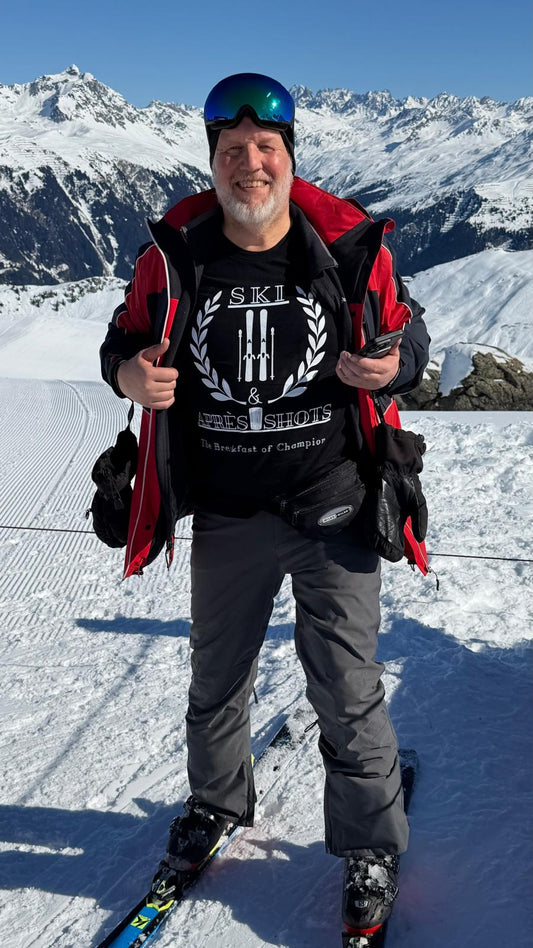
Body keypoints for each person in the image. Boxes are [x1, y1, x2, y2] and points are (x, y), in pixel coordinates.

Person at [100, 72, 430, 938]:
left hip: (333, 505)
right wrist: (130, 371)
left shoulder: (344, 248)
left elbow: (409, 330)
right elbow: (121, 337)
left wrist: (393, 365)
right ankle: (215, 804)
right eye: (233, 151)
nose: (250, 164)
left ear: (290, 160)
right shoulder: (178, 255)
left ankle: (368, 846)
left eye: (266, 150)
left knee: (346, 689)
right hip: (229, 514)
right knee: (215, 685)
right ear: (212, 162)